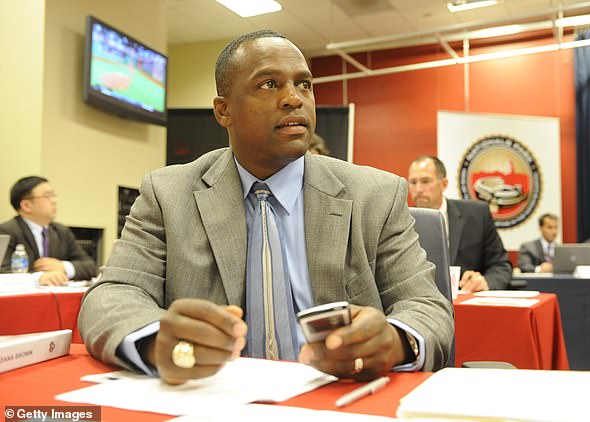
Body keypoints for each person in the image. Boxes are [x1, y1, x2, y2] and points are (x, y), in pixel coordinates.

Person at [79, 30, 453, 386]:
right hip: (214, 400)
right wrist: (155, 340)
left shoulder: (376, 194)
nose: (294, 98)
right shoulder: (168, 193)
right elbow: (111, 295)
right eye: (269, 84)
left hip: (339, 396)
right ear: (224, 111)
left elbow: (427, 306)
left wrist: (395, 340)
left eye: (304, 84)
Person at [407, 155, 512, 292]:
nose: (418, 189)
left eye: (425, 181)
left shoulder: (476, 215)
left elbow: (501, 265)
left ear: (444, 184)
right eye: (413, 182)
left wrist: (484, 282)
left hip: (465, 302)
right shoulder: (400, 219)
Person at [0, 176, 97, 285]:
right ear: (26, 205)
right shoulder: (6, 231)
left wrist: (63, 266)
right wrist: (38, 278)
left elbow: (90, 266)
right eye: (47, 196)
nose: (54, 201)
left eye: (54, 195)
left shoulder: (61, 231)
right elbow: (3, 271)